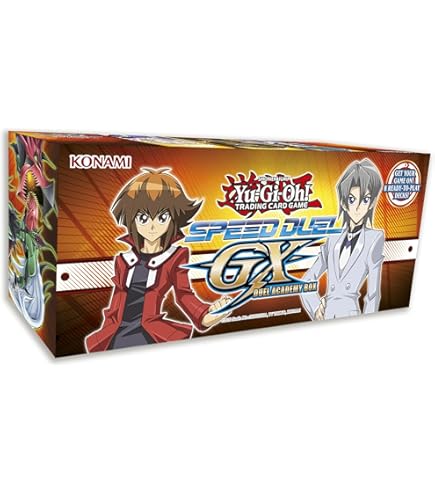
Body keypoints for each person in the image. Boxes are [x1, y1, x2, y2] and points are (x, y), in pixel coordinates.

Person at [85, 168, 230, 352]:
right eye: (143, 218)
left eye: (162, 217)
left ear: (174, 218)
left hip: (149, 333)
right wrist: (106, 332)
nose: (152, 226)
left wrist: (205, 315)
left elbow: (183, 295)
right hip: (116, 334)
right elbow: (116, 304)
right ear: (131, 217)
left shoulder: (174, 257)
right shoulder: (123, 260)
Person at [301, 158, 384, 320]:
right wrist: (316, 308)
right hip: (326, 316)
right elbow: (307, 280)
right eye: (352, 199)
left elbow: (373, 294)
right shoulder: (333, 239)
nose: (358, 207)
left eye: (365, 200)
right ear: (344, 203)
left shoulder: (374, 238)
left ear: (371, 203)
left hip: (350, 316)